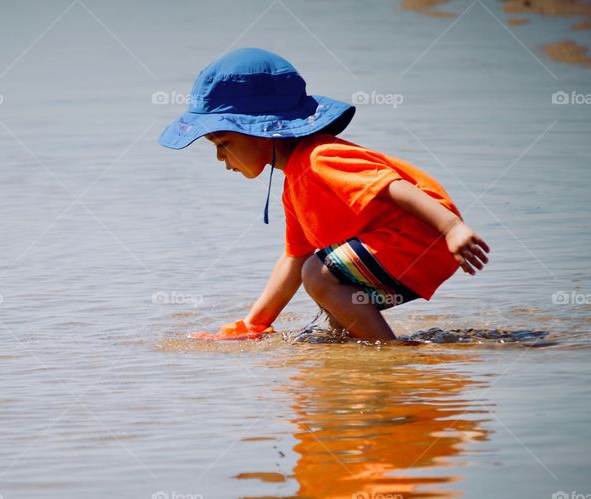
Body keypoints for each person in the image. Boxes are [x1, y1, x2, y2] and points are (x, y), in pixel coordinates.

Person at [159, 48, 490, 341]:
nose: (220, 157)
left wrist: (451, 228)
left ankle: (389, 354)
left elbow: (393, 186)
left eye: (223, 143)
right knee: (336, 311)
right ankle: (368, 356)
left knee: (319, 276)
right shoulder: (294, 183)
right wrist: (254, 325)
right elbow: (293, 258)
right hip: (405, 246)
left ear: (262, 131)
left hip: (423, 238)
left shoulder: (320, 157)